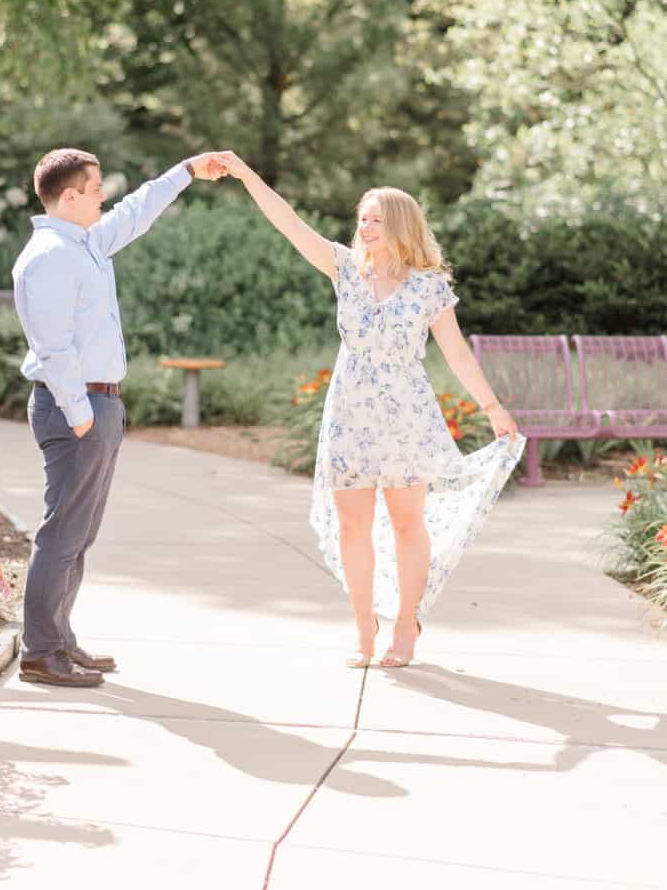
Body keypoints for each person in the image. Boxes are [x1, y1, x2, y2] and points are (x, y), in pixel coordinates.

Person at [219, 152, 524, 668]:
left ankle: (406, 623)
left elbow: (455, 353)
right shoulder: (343, 268)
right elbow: (288, 223)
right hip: (350, 415)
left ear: (401, 225)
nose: (365, 226)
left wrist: (492, 406)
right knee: (352, 526)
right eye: (362, 218)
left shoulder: (429, 287)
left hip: (407, 416)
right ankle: (363, 625)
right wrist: (246, 173)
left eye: (376, 218)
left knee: (409, 524)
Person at [12, 147, 226, 687]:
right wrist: (83, 416)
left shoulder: (84, 243)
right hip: (75, 407)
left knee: (78, 536)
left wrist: (184, 172)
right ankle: (40, 652)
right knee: (62, 535)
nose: (104, 193)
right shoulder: (50, 256)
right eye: (95, 186)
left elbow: (135, 211)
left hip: (99, 402)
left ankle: (60, 640)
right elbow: (53, 347)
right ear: (69, 197)